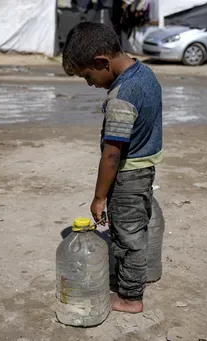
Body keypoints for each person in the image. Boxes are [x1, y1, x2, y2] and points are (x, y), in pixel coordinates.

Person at [62, 22, 163, 313]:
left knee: (128, 236)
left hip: (127, 177)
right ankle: (127, 279)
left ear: (101, 62)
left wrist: (98, 197)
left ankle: (130, 298)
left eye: (88, 76)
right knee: (133, 229)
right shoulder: (145, 74)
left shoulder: (121, 97)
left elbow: (112, 155)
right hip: (144, 170)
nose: (90, 83)